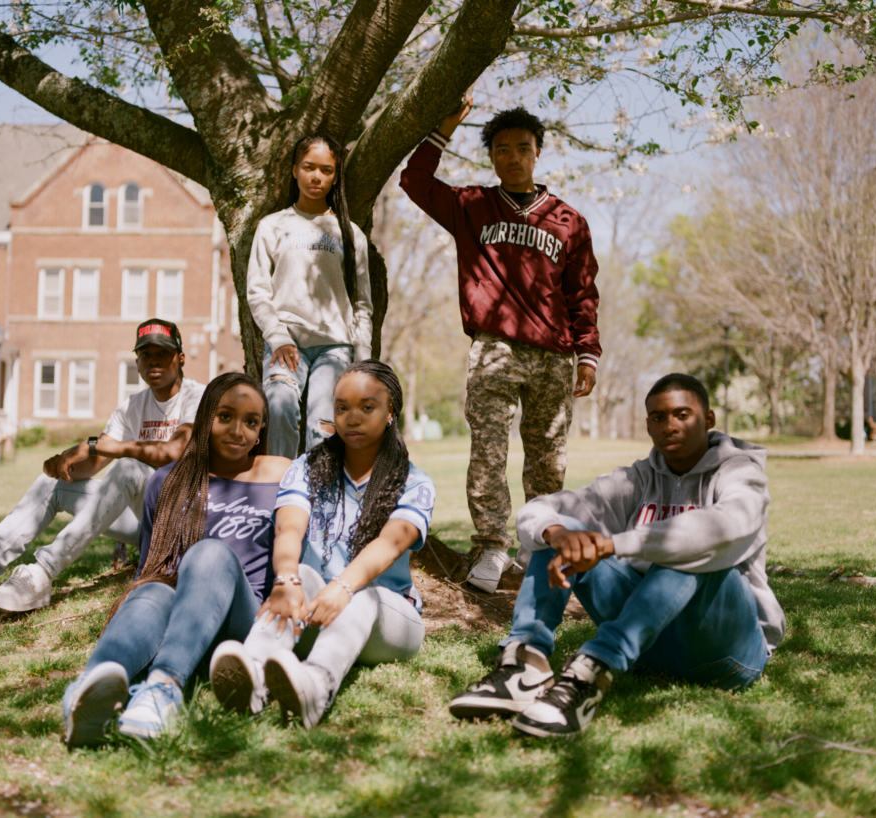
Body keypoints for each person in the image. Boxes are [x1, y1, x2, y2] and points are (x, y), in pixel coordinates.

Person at [449, 373, 785, 738]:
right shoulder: (639, 479)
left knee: (693, 550)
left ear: (708, 419)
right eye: (658, 417)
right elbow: (540, 509)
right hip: (650, 641)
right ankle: (525, 664)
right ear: (648, 425)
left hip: (725, 652)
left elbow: (723, 526)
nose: (669, 425)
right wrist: (560, 533)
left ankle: (592, 673)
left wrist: (614, 544)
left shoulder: (741, 473)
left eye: (682, 414)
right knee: (563, 529)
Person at [400, 102, 601, 594]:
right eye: (502, 149)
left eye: (523, 149)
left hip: (553, 355)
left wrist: (588, 352)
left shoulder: (567, 220)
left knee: (548, 458)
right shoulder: (471, 206)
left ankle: (538, 544)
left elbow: (582, 291)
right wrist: (442, 127)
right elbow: (415, 181)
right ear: (490, 155)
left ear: (538, 154)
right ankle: (491, 546)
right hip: (493, 349)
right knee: (488, 451)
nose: (513, 158)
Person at [0, 319, 204, 613]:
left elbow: (175, 450)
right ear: (137, 361)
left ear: (180, 358)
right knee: (53, 483)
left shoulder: (197, 396)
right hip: (143, 521)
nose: (153, 361)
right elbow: (94, 462)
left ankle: (42, 573)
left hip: (183, 522)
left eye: (162, 353)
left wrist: (96, 445)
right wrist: (65, 467)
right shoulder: (132, 407)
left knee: (128, 467)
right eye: (145, 354)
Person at [62, 373, 290, 747]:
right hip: (183, 622)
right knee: (153, 587)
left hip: (244, 629)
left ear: (262, 427)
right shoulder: (168, 480)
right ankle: (90, 689)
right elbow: (151, 565)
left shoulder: (281, 474)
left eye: (251, 422)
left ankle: (163, 689)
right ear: (204, 419)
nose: (238, 431)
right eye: (225, 416)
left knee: (210, 553)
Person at [207, 361, 435, 729]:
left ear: (391, 411)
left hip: (388, 621)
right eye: (342, 408)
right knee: (302, 575)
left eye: (367, 407)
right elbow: (289, 529)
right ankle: (252, 672)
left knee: (364, 595)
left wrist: (343, 586)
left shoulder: (414, 482)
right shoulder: (307, 468)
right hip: (319, 613)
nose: (352, 418)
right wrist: (285, 580)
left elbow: (391, 542)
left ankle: (316, 685)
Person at [246, 134, 374, 459]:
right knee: (278, 406)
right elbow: (257, 291)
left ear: (335, 176)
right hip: (285, 342)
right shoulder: (272, 226)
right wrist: (277, 338)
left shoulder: (349, 233)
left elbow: (362, 303)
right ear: (294, 170)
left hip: (334, 346)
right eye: (309, 167)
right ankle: (279, 498)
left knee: (323, 425)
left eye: (326, 170)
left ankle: (316, 504)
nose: (317, 177)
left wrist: (363, 359)